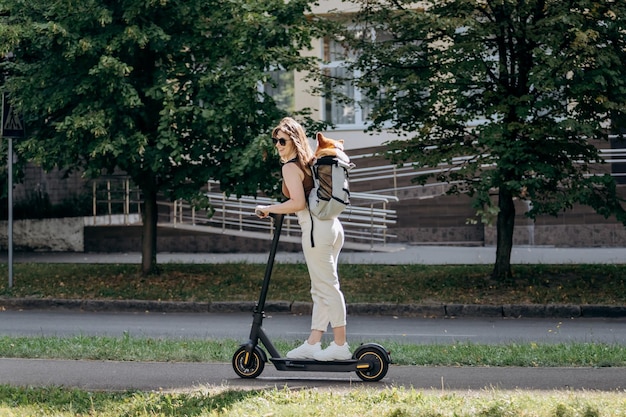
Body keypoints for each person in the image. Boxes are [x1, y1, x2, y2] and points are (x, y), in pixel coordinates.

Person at [255, 117, 351, 361]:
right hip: (332, 227)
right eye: (275, 140)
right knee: (321, 288)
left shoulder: (290, 167)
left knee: (327, 287)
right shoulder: (309, 162)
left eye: (282, 140)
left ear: (293, 140)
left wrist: (269, 208)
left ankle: (340, 345)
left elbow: (297, 203)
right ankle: (313, 343)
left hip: (315, 231)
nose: (277, 144)